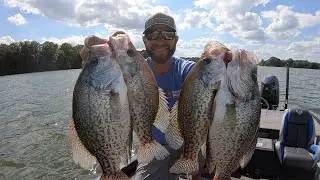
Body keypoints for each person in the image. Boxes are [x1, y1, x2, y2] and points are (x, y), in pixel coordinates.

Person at [79, 12, 233, 180]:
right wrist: (91, 59)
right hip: (154, 144)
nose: (160, 40)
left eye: (168, 34)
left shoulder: (190, 71)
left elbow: (211, 68)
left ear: (176, 40)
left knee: (200, 169)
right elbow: (97, 91)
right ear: (144, 41)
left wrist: (216, 50)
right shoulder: (125, 71)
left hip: (190, 141)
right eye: (153, 34)